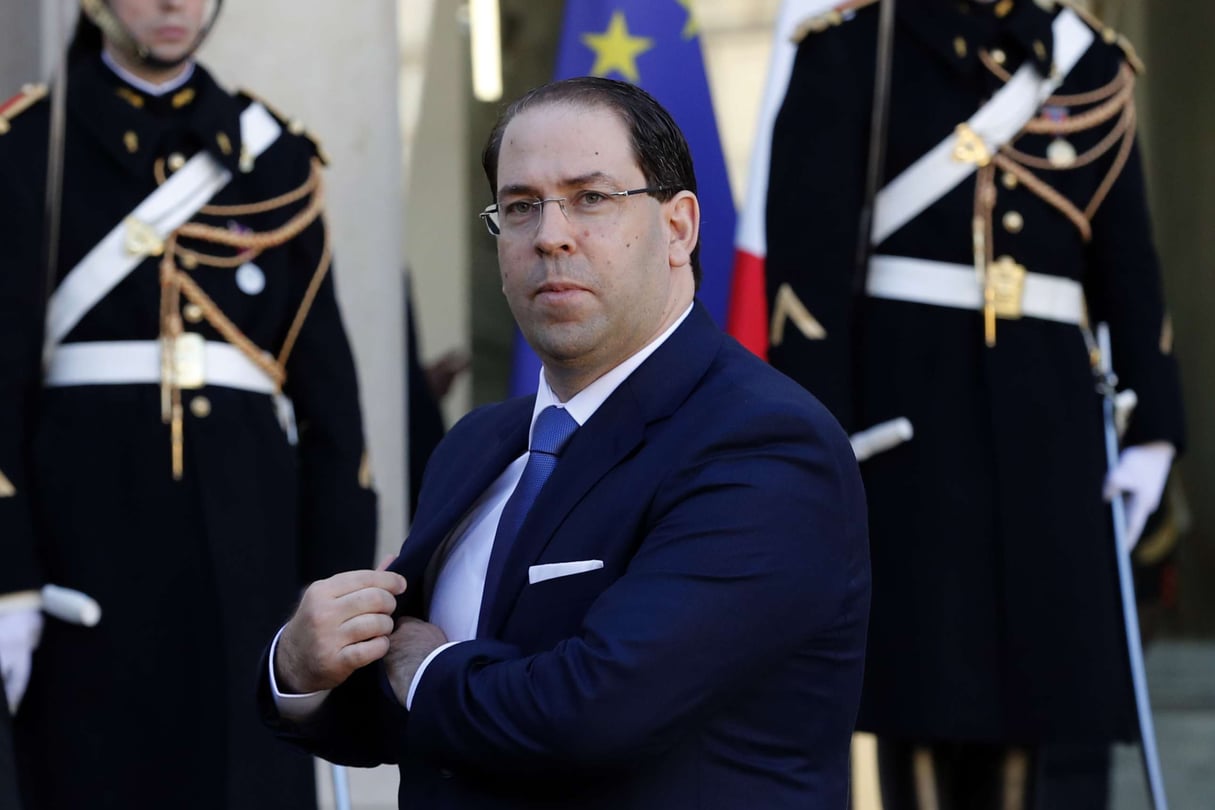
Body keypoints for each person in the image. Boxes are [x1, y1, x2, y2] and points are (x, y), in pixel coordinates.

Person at [259, 76, 871, 809]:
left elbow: (591, 713)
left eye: (591, 198)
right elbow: (414, 722)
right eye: (520, 207)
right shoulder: (476, 444)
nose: (550, 234)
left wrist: (420, 663)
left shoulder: (763, 445)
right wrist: (298, 667)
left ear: (678, 228)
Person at [764, 0, 1185, 808]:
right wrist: (820, 441)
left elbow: (1128, 260)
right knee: (917, 687)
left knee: (1037, 687)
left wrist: (1154, 431)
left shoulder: (1086, 59)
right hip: (906, 421)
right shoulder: (857, 44)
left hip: (1049, 424)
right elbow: (805, 273)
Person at [0, 1, 377, 807]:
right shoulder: (30, 143)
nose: (174, 4)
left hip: (251, 563)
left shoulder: (275, 158)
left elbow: (330, 410)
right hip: (88, 565)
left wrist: (337, 593)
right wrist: (10, 581)